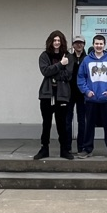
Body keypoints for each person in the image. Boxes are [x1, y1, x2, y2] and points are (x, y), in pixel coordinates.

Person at [76, 35, 107, 158]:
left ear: (104, 45)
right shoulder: (86, 61)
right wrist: (86, 91)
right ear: (93, 44)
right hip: (91, 99)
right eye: (96, 43)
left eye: (101, 44)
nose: (99, 46)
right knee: (89, 125)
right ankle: (87, 149)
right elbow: (81, 78)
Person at [36, 30, 73, 160]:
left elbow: (67, 75)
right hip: (47, 94)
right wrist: (60, 65)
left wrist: (54, 71)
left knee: (61, 124)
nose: (57, 43)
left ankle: (64, 150)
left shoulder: (68, 56)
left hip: (61, 95)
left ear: (62, 42)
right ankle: (44, 148)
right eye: (54, 40)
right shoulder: (44, 55)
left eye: (59, 40)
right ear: (50, 42)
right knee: (46, 123)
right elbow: (45, 71)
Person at [67, 34, 87, 154]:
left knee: (82, 121)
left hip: (83, 93)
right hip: (69, 93)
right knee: (67, 121)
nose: (78, 45)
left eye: (81, 43)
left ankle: (81, 146)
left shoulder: (88, 58)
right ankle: (67, 147)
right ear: (73, 45)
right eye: (76, 43)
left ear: (84, 44)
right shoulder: (68, 58)